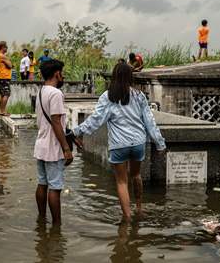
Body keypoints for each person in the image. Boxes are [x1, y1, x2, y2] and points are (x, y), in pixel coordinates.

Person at [73, 63, 166, 221]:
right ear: (130, 77)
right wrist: (160, 143)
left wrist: (76, 131)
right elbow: (150, 122)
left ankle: (127, 218)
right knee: (136, 175)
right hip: (138, 143)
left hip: (119, 145)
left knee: (122, 182)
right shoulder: (139, 96)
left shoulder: (108, 96)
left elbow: (96, 120)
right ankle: (139, 208)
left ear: (114, 77)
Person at [34, 59, 73, 225]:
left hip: (41, 145)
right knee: (55, 188)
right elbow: (56, 121)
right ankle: (57, 226)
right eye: (61, 73)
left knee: (42, 184)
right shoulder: (56, 93)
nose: (62, 76)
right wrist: (66, 148)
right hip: (53, 147)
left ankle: (42, 219)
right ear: (57, 73)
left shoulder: (42, 91)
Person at [0, 41, 13, 117]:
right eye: (6, 47)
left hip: (0, 77)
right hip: (4, 77)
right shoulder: (2, 56)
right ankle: (3, 111)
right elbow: (10, 65)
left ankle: (1, 111)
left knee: (2, 94)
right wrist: (9, 62)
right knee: (6, 94)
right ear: (3, 47)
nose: (7, 48)